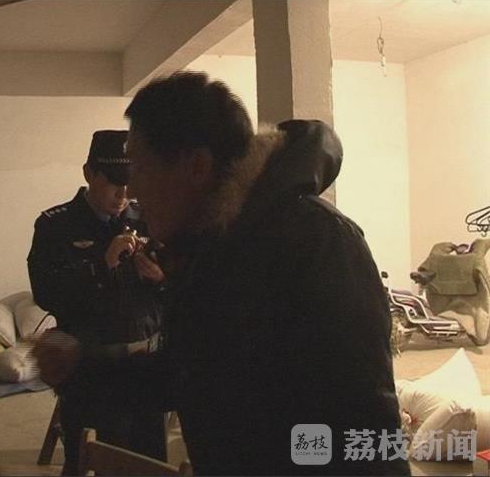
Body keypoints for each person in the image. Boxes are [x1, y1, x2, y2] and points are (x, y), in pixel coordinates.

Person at [37, 73, 410, 475]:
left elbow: (363, 430)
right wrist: (81, 366)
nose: (134, 192)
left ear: (196, 166)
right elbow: (190, 370)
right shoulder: (211, 246)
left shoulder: (316, 242)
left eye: (140, 168)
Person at [28, 130, 167, 475]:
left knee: (151, 463)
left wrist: (161, 278)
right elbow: (47, 293)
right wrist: (101, 265)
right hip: (90, 371)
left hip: (148, 368)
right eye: (114, 183)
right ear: (89, 173)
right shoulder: (56, 225)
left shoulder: (149, 217)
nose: (124, 194)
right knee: (90, 462)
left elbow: (181, 290)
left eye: (130, 182)